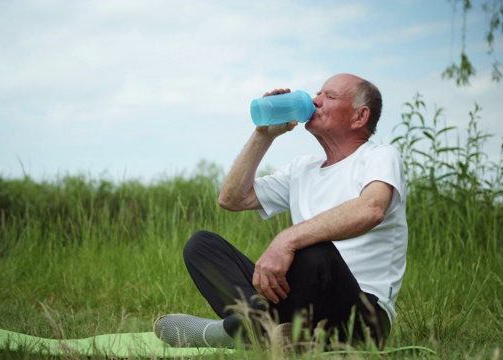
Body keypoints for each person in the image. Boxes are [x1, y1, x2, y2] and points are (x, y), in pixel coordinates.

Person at [154, 73, 408, 350]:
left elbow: (370, 209)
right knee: (202, 245)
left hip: (361, 317)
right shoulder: (302, 168)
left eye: (329, 96)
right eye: (317, 93)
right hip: (302, 305)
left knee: (315, 252)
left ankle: (234, 331)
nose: (314, 100)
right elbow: (233, 198)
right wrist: (262, 134)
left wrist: (287, 239)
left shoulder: (379, 156)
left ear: (360, 117)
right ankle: (269, 331)